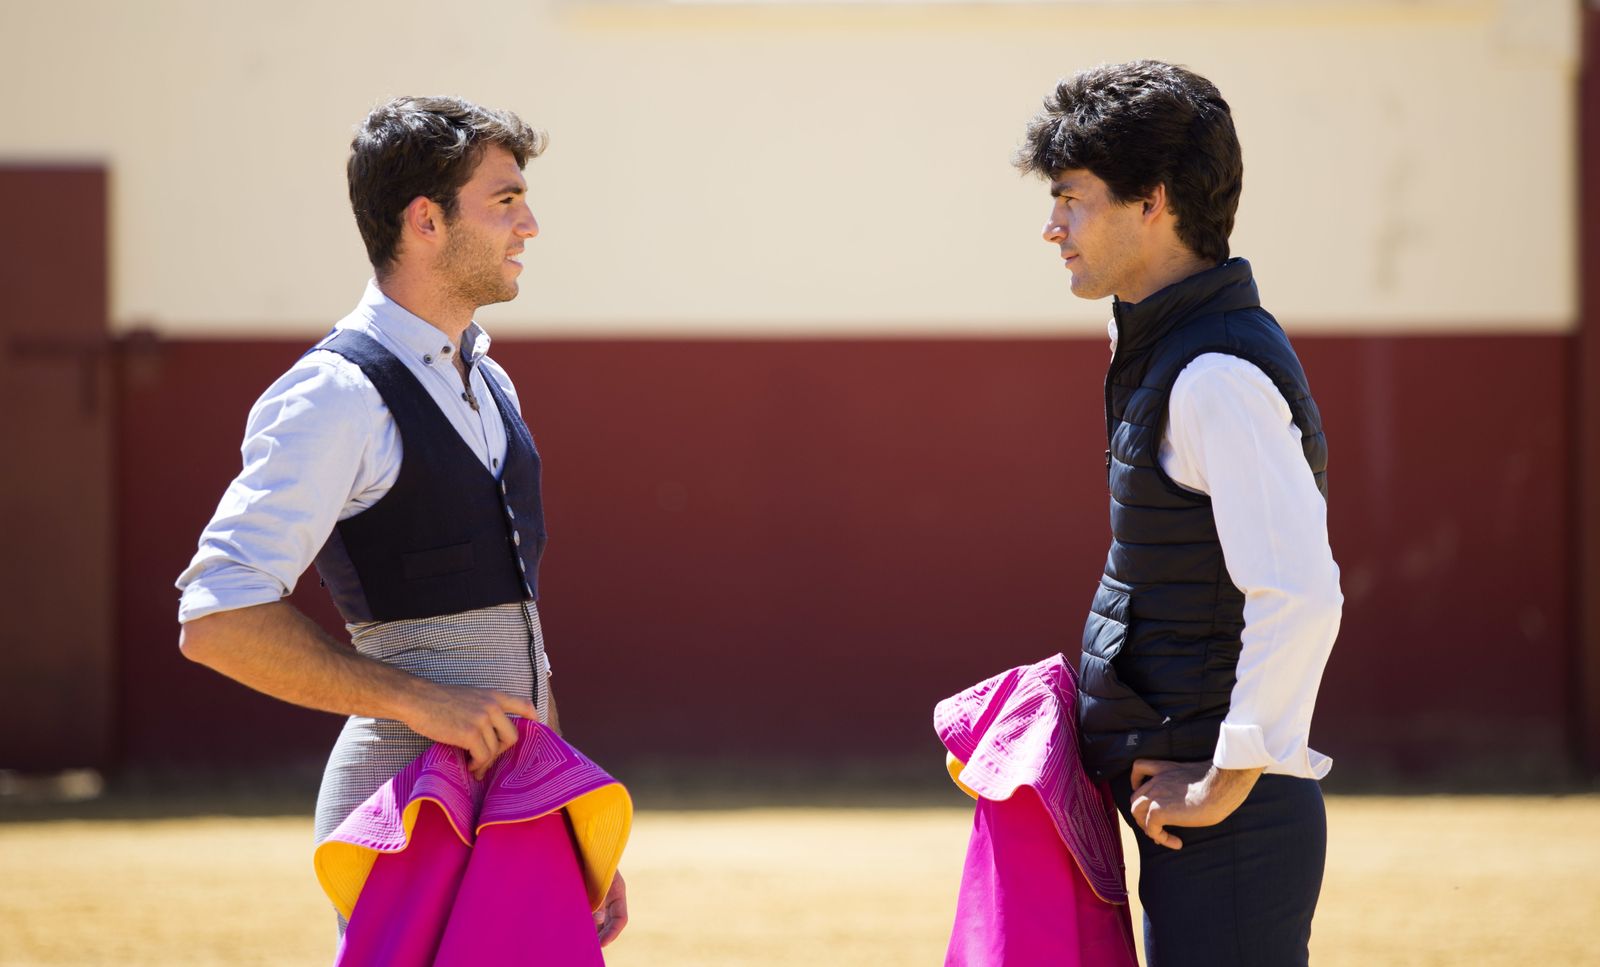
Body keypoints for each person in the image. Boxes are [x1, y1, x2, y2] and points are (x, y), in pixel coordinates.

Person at [175, 95, 628, 951]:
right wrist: (419, 698)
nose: (528, 223)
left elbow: (517, 630)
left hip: (513, 800)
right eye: (504, 199)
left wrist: (564, 806)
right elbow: (217, 616)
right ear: (425, 220)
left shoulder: (489, 380)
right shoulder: (336, 393)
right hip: (409, 803)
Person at [1015, 61, 1342, 966]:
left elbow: (1302, 590)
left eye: (1072, 200)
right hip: (1196, 807)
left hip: (1229, 822)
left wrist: (1227, 778)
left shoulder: (1215, 378)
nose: (1052, 227)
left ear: (1151, 201)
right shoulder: (1166, 342)